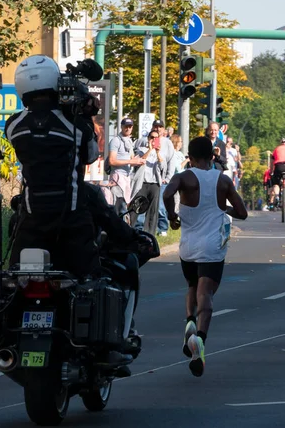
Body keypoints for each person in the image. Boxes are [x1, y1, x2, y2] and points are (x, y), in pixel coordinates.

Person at [5, 55, 100, 278]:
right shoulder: (75, 125)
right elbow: (91, 156)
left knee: (16, 280)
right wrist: (83, 115)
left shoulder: (13, 126)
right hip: (71, 216)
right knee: (91, 279)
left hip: (32, 218)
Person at [163, 136, 247, 377]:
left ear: (189, 157)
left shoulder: (183, 177)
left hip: (188, 247)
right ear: (212, 156)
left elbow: (167, 194)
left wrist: (171, 216)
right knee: (206, 293)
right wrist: (224, 208)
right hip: (212, 248)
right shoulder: (223, 181)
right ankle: (200, 339)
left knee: (192, 286)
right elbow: (242, 213)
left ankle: (189, 320)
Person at [105, 118, 145, 215]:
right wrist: (130, 161)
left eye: (130, 126)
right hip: (117, 179)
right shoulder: (115, 141)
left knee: (124, 209)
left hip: (127, 178)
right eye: (126, 126)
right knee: (120, 208)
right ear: (121, 127)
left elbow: (131, 160)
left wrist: (139, 160)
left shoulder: (129, 142)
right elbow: (112, 161)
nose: (128, 128)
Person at [130, 130, 166, 235]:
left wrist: (158, 153)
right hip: (142, 183)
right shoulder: (141, 150)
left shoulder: (161, 152)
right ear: (148, 138)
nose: (153, 140)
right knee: (136, 207)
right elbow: (139, 161)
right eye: (151, 137)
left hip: (154, 183)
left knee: (153, 211)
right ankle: (131, 230)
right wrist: (150, 150)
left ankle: (150, 234)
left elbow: (163, 167)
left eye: (156, 138)